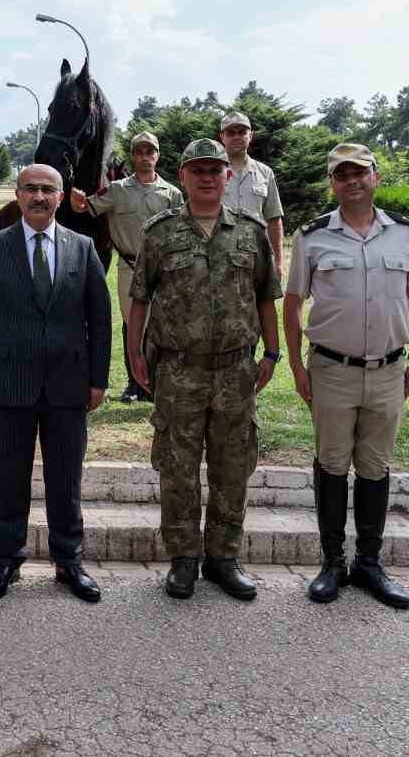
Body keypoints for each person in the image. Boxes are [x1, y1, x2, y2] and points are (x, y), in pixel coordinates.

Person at [127, 138, 281, 602]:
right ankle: (183, 559)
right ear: (184, 176)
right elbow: (140, 300)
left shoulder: (250, 232)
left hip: (236, 371)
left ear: (227, 176)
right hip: (178, 372)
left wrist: (271, 353)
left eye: (215, 170)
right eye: (198, 170)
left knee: (233, 467)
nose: (208, 177)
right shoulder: (159, 232)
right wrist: (135, 355)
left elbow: (265, 298)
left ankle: (223, 558)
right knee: (177, 468)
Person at [283, 143, 409, 610]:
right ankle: (332, 563)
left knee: (374, 466)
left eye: (360, 173)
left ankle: (369, 563)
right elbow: (291, 302)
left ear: (375, 178)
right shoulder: (313, 236)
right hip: (331, 370)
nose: (352, 181)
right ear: (333, 183)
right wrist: (296, 365)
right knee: (331, 463)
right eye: (342, 175)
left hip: (388, 370)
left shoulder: (404, 234)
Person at [0, 163, 111, 604]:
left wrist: (99, 379)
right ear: (17, 194)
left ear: (61, 197)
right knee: (10, 477)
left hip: (68, 385)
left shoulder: (83, 248)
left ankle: (69, 562)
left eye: (48, 190)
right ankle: (7, 559)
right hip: (8, 384)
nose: (39, 197)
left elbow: (100, 320)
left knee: (66, 479)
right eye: (31, 189)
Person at [69, 131, 182, 400]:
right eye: (140, 152)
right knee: (132, 322)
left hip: (163, 268)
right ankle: (134, 383)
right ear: (133, 156)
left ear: (157, 155)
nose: (145, 157)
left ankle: (157, 381)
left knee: (161, 323)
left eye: (150, 152)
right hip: (130, 267)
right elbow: (86, 207)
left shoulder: (173, 194)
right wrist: (77, 202)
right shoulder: (117, 190)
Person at [217, 112, 285, 280]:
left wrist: (278, 261)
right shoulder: (212, 172)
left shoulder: (265, 173)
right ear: (222, 137)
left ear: (251, 135)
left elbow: (273, 218)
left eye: (242, 132)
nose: (237, 137)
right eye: (230, 133)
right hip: (219, 255)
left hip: (257, 257)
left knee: (259, 305)